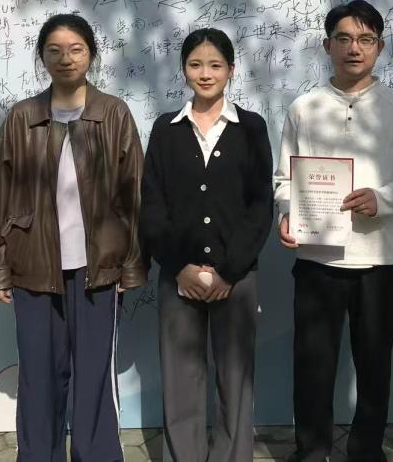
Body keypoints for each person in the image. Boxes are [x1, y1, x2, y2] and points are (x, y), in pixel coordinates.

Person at [0, 13, 145, 462]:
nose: (65, 59)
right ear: (42, 57)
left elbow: (134, 194)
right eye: (54, 51)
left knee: (94, 377)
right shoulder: (22, 117)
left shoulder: (113, 113)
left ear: (91, 54)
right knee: (39, 376)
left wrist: (131, 265)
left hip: (98, 269)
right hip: (32, 268)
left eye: (76, 49)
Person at [274, 0, 393, 462]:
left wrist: (381, 198)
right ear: (327, 46)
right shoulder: (305, 107)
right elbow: (283, 178)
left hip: (379, 262)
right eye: (343, 39)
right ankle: (311, 451)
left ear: (380, 46)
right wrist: (287, 213)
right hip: (317, 261)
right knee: (312, 365)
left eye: (365, 39)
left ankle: (366, 451)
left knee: (375, 366)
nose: (354, 48)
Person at [140, 28, 274, 462]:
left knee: (235, 378)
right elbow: (152, 204)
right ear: (183, 70)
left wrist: (229, 272)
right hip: (178, 275)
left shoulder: (251, 127)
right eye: (196, 64)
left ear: (231, 70)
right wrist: (180, 267)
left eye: (215, 65)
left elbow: (260, 205)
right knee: (181, 378)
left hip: (236, 277)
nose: (205, 73)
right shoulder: (166, 129)